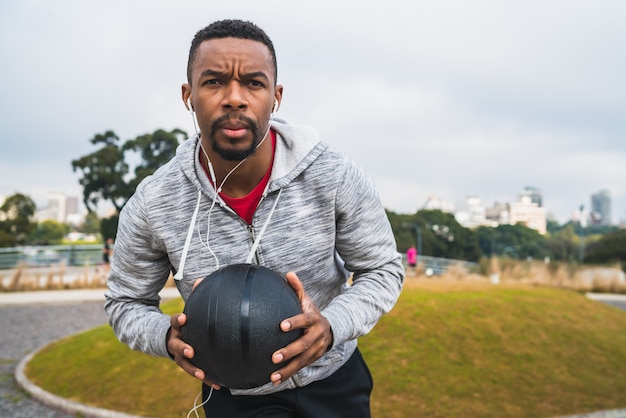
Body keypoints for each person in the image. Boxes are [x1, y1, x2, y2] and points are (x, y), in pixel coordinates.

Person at [104, 19, 404, 417]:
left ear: (276, 96)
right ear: (188, 95)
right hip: (235, 395)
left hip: (334, 381)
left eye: (253, 83)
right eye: (213, 82)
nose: (234, 98)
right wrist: (165, 336)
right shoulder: (155, 202)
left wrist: (332, 327)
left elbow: (382, 269)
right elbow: (125, 301)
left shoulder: (332, 174)